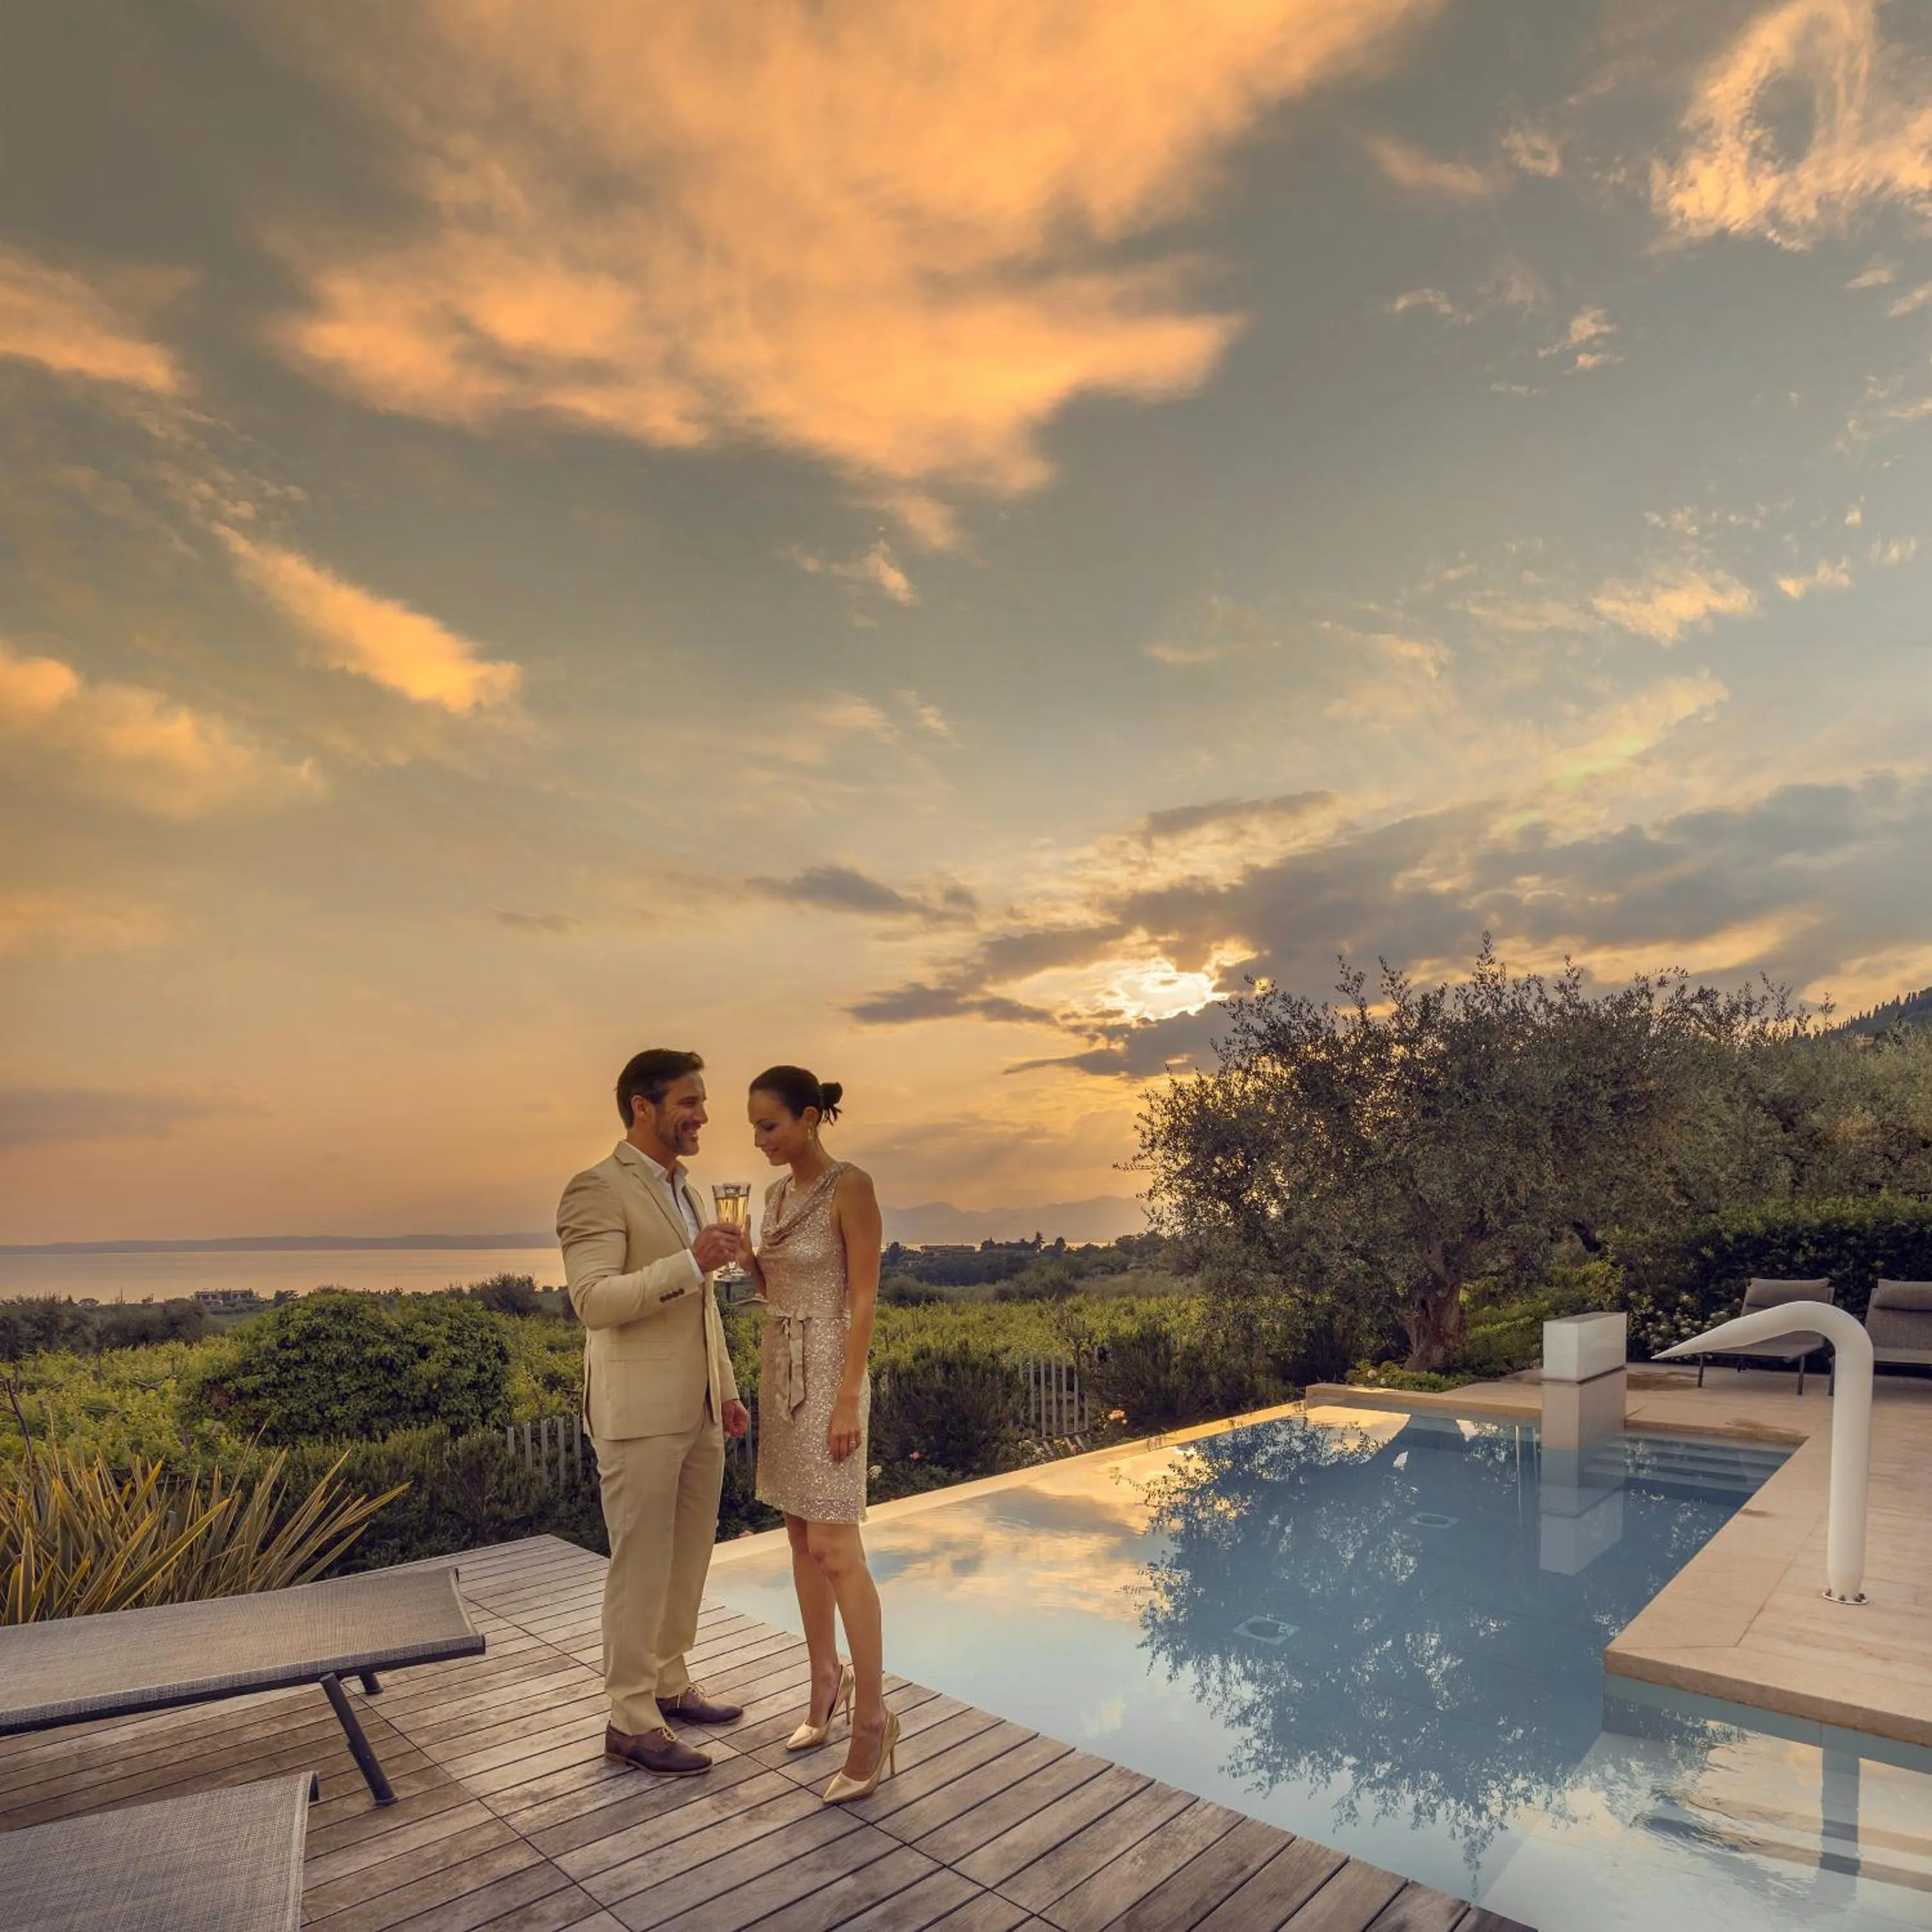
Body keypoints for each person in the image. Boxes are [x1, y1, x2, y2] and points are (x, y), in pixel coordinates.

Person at [556, 1048, 752, 1777]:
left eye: (703, 1102)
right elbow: (594, 1301)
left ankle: (670, 1681)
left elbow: (702, 1310)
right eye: (690, 1102)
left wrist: (726, 1390)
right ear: (643, 1106)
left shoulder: (688, 1193)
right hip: (637, 1414)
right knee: (640, 1566)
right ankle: (630, 1718)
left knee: (687, 1558)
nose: (703, 1114)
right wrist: (691, 1263)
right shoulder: (596, 1189)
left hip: (697, 1410)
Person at [732, 1065, 898, 1803]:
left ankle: (874, 1720)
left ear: (808, 1118)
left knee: (836, 1546)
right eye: (754, 1128)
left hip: (831, 1368)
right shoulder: (773, 1198)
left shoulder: (850, 1186)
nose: (759, 1140)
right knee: (799, 1537)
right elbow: (779, 1289)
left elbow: (862, 1298)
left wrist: (849, 1397)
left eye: (769, 1125)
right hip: (780, 1368)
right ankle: (823, 1684)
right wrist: (746, 1261)